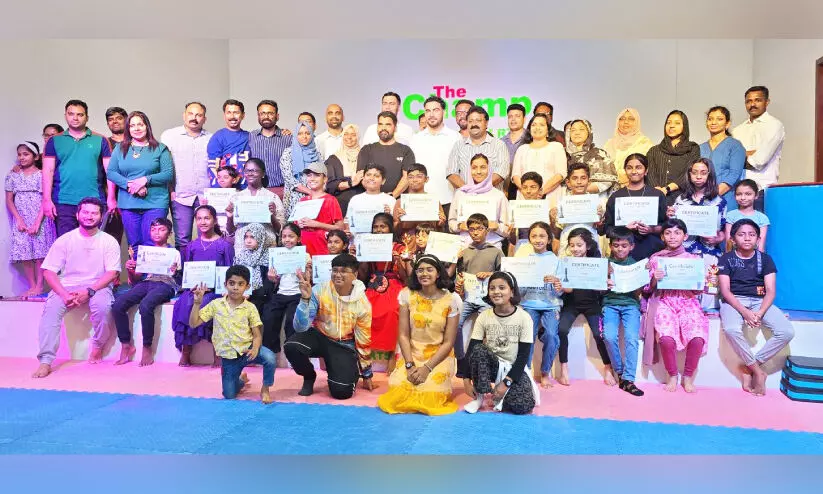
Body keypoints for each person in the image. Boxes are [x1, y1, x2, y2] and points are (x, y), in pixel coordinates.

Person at [32, 197, 121, 378]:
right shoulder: (65, 240)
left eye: (94, 213)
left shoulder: (109, 241)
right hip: (67, 286)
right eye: (85, 212)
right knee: (50, 313)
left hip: (98, 286)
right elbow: (48, 271)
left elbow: (112, 273)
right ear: (77, 214)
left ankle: (98, 345)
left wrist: (89, 291)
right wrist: (64, 294)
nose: (89, 216)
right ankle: (46, 361)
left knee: (103, 308)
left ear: (101, 216)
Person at [377, 254, 461, 415]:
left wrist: (427, 369)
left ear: (438, 273)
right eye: (420, 270)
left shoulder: (451, 300)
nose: (424, 274)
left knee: (430, 395)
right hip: (413, 355)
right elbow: (403, 335)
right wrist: (410, 366)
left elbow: (448, 342)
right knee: (399, 391)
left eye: (429, 270)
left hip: (439, 357)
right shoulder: (407, 295)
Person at [719, 219, 794, 396]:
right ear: (733, 239)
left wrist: (759, 313)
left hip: (760, 301)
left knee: (786, 332)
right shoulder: (726, 259)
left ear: (758, 239)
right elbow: (726, 291)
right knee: (731, 329)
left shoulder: (765, 260)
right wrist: (745, 312)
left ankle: (750, 366)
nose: (747, 238)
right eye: (741, 234)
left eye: (752, 235)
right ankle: (758, 372)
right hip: (734, 301)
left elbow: (770, 291)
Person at [286, 253, 374, 399]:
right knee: (292, 346)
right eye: (335, 270)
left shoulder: (363, 304)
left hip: (343, 345)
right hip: (319, 337)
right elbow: (300, 328)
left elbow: (363, 340)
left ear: (355, 274)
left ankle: (341, 371)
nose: (338, 275)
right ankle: (309, 376)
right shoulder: (319, 290)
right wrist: (305, 299)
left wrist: (367, 373)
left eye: (343, 271)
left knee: (342, 393)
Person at [189, 265, 276, 404]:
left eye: (240, 284)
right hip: (229, 357)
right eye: (232, 283)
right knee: (229, 395)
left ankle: (265, 389)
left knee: (270, 358)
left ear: (247, 287)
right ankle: (241, 379)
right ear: (225, 284)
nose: (235, 287)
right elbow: (194, 323)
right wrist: (197, 303)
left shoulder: (250, 307)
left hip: (247, 351)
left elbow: (257, 335)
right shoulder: (215, 305)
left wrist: (255, 349)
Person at [643, 219, 710, 393]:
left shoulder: (694, 260)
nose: (672, 237)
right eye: (668, 233)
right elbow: (647, 288)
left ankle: (688, 376)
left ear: (685, 236)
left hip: (687, 301)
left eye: (677, 233)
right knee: (666, 339)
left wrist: (701, 281)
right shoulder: (655, 259)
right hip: (664, 301)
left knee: (697, 338)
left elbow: (698, 290)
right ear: (662, 237)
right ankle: (672, 375)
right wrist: (654, 279)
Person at [461, 272, 538, 415]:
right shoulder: (484, 316)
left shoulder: (524, 317)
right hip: (491, 366)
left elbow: (523, 356)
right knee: (478, 350)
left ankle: (499, 396)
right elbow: (472, 349)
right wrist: (466, 380)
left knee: (523, 406)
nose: (496, 292)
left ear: (512, 292)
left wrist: (506, 383)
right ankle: (480, 397)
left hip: (512, 368)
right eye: (492, 288)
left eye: (502, 288)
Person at [171, 205, 235, 367]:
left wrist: (221, 289)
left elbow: (229, 272)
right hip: (195, 290)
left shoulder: (225, 245)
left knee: (209, 303)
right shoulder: (192, 246)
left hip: (216, 291)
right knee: (184, 303)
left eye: (207, 218)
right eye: (199, 218)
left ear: (214, 220)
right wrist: (184, 279)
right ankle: (186, 351)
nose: (203, 222)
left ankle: (217, 353)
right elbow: (187, 272)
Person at [42, 100, 115, 238]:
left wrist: (111, 198)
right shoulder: (54, 141)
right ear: (65, 115)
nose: (75, 118)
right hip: (63, 202)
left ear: (87, 117)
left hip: (94, 201)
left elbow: (110, 172)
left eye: (80, 114)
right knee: (67, 244)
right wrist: (46, 200)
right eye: (71, 114)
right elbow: (48, 171)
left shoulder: (100, 140)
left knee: (94, 245)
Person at [113, 217, 180, 366]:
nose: (157, 233)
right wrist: (131, 269)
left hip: (166, 284)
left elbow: (179, 277)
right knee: (118, 304)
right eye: (153, 229)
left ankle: (147, 347)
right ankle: (126, 345)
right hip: (147, 282)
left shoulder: (174, 252)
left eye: (161, 229)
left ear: (169, 233)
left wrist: (175, 272)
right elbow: (136, 279)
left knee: (146, 305)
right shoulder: (145, 252)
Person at [106, 111, 173, 252]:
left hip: (155, 203)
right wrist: (131, 184)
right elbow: (111, 172)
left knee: (152, 244)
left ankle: (151, 269)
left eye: (140, 125)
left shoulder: (160, 148)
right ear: (128, 128)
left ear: (147, 126)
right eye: (132, 125)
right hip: (128, 204)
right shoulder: (120, 148)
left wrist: (145, 180)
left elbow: (168, 174)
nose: (136, 128)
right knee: (134, 245)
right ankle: (137, 268)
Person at [556, 228, 615, 386]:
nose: (575, 249)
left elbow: (601, 289)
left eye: (579, 245)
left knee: (598, 334)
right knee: (561, 330)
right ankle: (564, 367)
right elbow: (567, 289)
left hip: (592, 304)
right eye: (572, 245)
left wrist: (606, 283)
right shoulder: (566, 263)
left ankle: (607, 367)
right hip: (571, 304)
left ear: (587, 246)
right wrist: (561, 286)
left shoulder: (597, 263)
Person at [514, 222, 563, 388]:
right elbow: (519, 292)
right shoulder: (524, 261)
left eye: (542, 236)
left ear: (549, 239)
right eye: (533, 236)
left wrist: (556, 283)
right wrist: (521, 281)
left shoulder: (556, 260)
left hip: (551, 305)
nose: (538, 239)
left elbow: (561, 291)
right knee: (528, 336)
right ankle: (526, 372)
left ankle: (545, 372)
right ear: (529, 239)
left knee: (551, 335)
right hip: (529, 303)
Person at [161, 102, 213, 253]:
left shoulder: (212, 138)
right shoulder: (169, 136)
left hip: (205, 196)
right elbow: (164, 166)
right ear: (184, 116)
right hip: (180, 195)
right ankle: (183, 268)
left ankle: (205, 267)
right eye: (190, 114)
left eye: (199, 115)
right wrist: (170, 189)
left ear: (204, 119)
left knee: (207, 237)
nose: (194, 118)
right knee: (182, 239)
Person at [453, 213, 503, 368]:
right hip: (468, 298)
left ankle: (481, 363)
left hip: (486, 299)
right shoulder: (464, 252)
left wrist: (490, 275)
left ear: (487, 230)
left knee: (485, 327)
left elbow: (504, 276)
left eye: (479, 229)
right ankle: (461, 360)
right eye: (472, 229)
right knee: (455, 324)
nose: (475, 232)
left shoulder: (495, 252)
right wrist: (459, 282)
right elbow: (459, 275)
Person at [358, 213, 408, 367]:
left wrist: (398, 261)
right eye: (375, 227)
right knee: (364, 310)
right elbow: (362, 276)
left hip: (394, 283)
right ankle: (365, 356)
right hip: (373, 283)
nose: (379, 230)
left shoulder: (399, 248)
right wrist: (362, 257)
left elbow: (405, 277)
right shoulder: (368, 244)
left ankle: (392, 355)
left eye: (383, 226)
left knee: (392, 310)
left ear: (390, 228)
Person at [6, 141, 55, 296]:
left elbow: (45, 199)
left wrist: (37, 222)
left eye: (26, 154)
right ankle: (32, 285)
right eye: (19, 154)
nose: (21, 157)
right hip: (21, 219)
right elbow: (9, 200)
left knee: (40, 253)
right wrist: (18, 220)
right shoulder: (13, 176)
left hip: (40, 218)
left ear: (35, 157)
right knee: (25, 253)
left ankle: (40, 286)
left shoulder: (42, 175)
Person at [602, 227, 644, 396]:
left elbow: (639, 292)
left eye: (624, 246)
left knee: (632, 338)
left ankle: (629, 378)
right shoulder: (604, 264)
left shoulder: (636, 265)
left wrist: (642, 276)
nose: (620, 249)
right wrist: (604, 280)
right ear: (610, 246)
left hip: (630, 305)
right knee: (609, 336)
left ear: (631, 246)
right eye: (616, 245)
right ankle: (620, 372)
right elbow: (597, 290)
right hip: (610, 304)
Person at [603, 154, 667, 260]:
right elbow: (607, 229)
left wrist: (651, 229)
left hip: (652, 250)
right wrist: (624, 229)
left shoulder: (657, 195)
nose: (633, 171)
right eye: (629, 168)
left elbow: (666, 226)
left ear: (646, 171)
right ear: (625, 170)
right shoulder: (616, 197)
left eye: (638, 167)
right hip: (622, 253)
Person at [732, 86, 785, 210]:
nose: (753, 104)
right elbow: (731, 159)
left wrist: (740, 156)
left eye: (758, 100)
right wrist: (750, 153)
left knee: (759, 223)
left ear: (767, 102)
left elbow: (759, 161)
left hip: (762, 190)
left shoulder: (774, 125)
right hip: (738, 191)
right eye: (749, 101)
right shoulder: (737, 130)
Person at [263, 223, 310, 358]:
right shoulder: (277, 255)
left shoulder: (305, 255)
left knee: (291, 320)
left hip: (297, 294)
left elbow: (308, 279)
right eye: (284, 236)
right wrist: (272, 278)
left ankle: (292, 351)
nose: (287, 239)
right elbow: (274, 280)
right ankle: (270, 352)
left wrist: (305, 272)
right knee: (269, 317)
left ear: (298, 239)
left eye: (291, 236)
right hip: (280, 293)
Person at [409, 96, 460, 217]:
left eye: (436, 110)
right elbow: (410, 172)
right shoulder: (416, 139)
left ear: (444, 112)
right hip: (421, 201)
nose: (431, 114)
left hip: (449, 199)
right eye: (428, 111)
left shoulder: (455, 137)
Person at [667, 158, 727, 259]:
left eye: (703, 173)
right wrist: (670, 216)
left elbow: (724, 230)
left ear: (710, 175)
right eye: (694, 173)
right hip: (683, 253)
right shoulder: (681, 200)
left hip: (709, 253)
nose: (698, 176)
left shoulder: (720, 202)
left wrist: (719, 238)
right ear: (689, 174)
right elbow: (674, 227)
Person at [448, 154, 510, 249]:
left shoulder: (498, 195)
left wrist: (497, 227)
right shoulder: (460, 194)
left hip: (492, 247)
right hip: (465, 247)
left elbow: (508, 230)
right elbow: (451, 223)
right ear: (469, 170)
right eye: (474, 168)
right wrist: (460, 226)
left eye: (483, 167)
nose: (478, 171)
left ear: (489, 170)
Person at [446, 106, 510, 193]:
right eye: (470, 121)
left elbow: (502, 172)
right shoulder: (458, 145)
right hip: (465, 197)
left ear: (486, 123)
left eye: (478, 120)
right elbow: (451, 173)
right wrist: (467, 189)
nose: (474, 124)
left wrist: (481, 189)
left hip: (491, 198)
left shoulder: (499, 145)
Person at [511, 113, 567, 206]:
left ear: (548, 130)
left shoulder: (556, 147)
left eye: (541, 125)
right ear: (529, 129)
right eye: (534, 125)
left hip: (550, 197)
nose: (537, 128)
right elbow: (515, 175)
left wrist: (541, 192)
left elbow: (560, 174)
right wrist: (527, 192)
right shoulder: (522, 149)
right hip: (525, 199)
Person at [225, 158, 285, 244]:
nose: (250, 174)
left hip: (266, 245)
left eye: (254, 171)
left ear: (263, 174)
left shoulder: (272, 198)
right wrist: (230, 217)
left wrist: (272, 216)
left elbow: (281, 231)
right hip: (243, 246)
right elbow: (230, 232)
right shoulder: (236, 198)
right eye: (247, 171)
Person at [646, 110, 701, 204]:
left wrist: (667, 189)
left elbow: (688, 172)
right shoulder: (654, 150)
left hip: (683, 199)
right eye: (668, 122)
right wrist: (658, 190)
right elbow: (650, 174)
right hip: (656, 198)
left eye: (677, 123)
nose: (671, 126)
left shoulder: (693, 148)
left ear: (684, 126)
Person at [356, 111, 416, 198]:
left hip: (397, 201)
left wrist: (391, 196)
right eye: (380, 124)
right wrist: (377, 197)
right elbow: (361, 177)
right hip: (371, 200)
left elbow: (407, 177)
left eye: (388, 124)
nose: (383, 128)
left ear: (395, 128)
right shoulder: (366, 150)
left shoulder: (406, 151)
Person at [550, 163, 605, 255]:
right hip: (568, 246)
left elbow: (601, 231)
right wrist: (552, 221)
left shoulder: (597, 202)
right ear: (568, 182)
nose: (579, 182)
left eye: (583, 178)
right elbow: (557, 234)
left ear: (589, 181)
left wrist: (600, 220)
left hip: (589, 245)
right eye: (575, 178)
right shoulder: (562, 203)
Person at [292, 162, 345, 256]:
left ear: (325, 179)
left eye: (316, 175)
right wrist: (299, 224)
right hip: (303, 249)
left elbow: (340, 228)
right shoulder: (302, 200)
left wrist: (316, 224)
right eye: (309, 175)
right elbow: (295, 227)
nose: (312, 178)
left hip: (322, 248)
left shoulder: (330, 200)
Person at [393, 163, 447, 253]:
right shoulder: (400, 202)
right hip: (408, 245)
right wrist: (399, 221)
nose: (414, 180)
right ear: (407, 179)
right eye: (410, 177)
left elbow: (439, 227)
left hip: (429, 245)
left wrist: (440, 223)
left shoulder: (433, 201)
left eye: (419, 176)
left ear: (426, 179)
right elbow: (395, 230)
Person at [699, 106, 746, 209]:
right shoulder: (700, 148)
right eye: (710, 119)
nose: (713, 122)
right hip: (701, 201)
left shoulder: (735, 145)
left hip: (726, 200)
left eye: (719, 119)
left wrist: (712, 195)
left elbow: (734, 174)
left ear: (727, 124)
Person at [248, 100, 292, 199]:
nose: (266, 116)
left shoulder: (288, 138)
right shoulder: (251, 137)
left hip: (282, 191)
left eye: (270, 113)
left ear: (277, 116)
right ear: (258, 116)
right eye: (262, 113)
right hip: (257, 192)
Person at [565, 119, 618, 202]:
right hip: (568, 200)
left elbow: (607, 182)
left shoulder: (599, 154)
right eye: (573, 130)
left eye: (581, 129)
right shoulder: (563, 154)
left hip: (596, 201)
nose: (577, 133)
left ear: (589, 132)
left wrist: (579, 190)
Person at [281, 121, 324, 218]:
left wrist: (317, 194)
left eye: (307, 133)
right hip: (295, 198)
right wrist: (311, 192)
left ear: (312, 135)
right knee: (295, 226)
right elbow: (289, 178)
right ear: (295, 135)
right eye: (300, 133)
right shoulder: (288, 153)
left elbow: (323, 176)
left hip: (315, 199)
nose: (304, 136)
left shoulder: (317, 154)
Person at [344, 164, 395, 242]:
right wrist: (348, 232)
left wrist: (388, 217)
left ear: (383, 181)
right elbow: (347, 222)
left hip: (382, 243)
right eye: (368, 175)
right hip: (358, 243)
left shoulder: (390, 200)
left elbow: (395, 226)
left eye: (376, 176)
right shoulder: (355, 200)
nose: (371, 178)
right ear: (363, 178)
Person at [603, 108, 653, 186]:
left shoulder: (644, 143)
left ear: (637, 122)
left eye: (631, 119)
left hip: (635, 187)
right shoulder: (609, 144)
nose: (626, 122)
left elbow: (648, 169)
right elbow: (603, 168)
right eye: (622, 119)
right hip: (609, 187)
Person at [207, 99, 250, 187]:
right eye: (229, 112)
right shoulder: (217, 137)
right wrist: (221, 187)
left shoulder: (249, 137)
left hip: (245, 188)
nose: (232, 116)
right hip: (224, 190)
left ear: (243, 115)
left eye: (236, 112)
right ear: (224, 115)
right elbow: (212, 167)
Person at [325, 123, 364, 215]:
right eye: (346, 134)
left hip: (362, 203)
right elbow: (330, 185)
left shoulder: (365, 156)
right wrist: (351, 183)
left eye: (353, 134)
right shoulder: (333, 159)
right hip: (341, 203)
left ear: (358, 137)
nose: (349, 137)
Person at [724, 180, 769, 252]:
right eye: (739, 194)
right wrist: (728, 257)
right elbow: (728, 243)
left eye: (748, 194)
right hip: (734, 255)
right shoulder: (731, 215)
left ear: (756, 195)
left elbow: (761, 246)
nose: (743, 198)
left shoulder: (762, 218)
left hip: (754, 256)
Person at [508, 172, 546, 255]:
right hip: (521, 251)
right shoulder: (515, 209)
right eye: (525, 187)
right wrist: (512, 232)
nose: (528, 191)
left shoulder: (546, 209)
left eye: (533, 187)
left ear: (540, 190)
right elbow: (513, 241)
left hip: (541, 251)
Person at [503, 103, 528, 200]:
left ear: (524, 119)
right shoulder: (500, 142)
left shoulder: (530, 139)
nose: (513, 119)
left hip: (526, 188)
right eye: (510, 117)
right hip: (505, 189)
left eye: (517, 116)